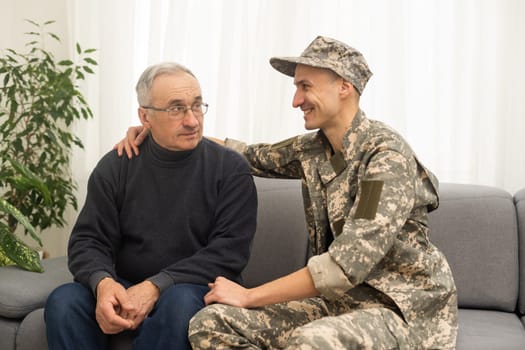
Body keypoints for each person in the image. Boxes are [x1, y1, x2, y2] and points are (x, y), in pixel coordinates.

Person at [117, 36, 458, 349]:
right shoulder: (314, 150)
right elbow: (247, 153)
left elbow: (344, 267)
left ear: (344, 86)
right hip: (340, 306)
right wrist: (159, 128)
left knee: (312, 342)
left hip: (400, 313)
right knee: (210, 324)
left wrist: (249, 296)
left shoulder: (385, 159)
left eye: (305, 86)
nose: (296, 100)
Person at [44, 62, 258, 350]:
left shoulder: (230, 169)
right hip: (125, 282)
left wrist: (156, 285)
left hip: (193, 288)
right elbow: (88, 240)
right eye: (176, 109)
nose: (192, 120)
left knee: (178, 304)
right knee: (64, 301)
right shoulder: (117, 166)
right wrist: (103, 283)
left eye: (197, 106)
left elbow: (229, 252)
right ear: (145, 116)